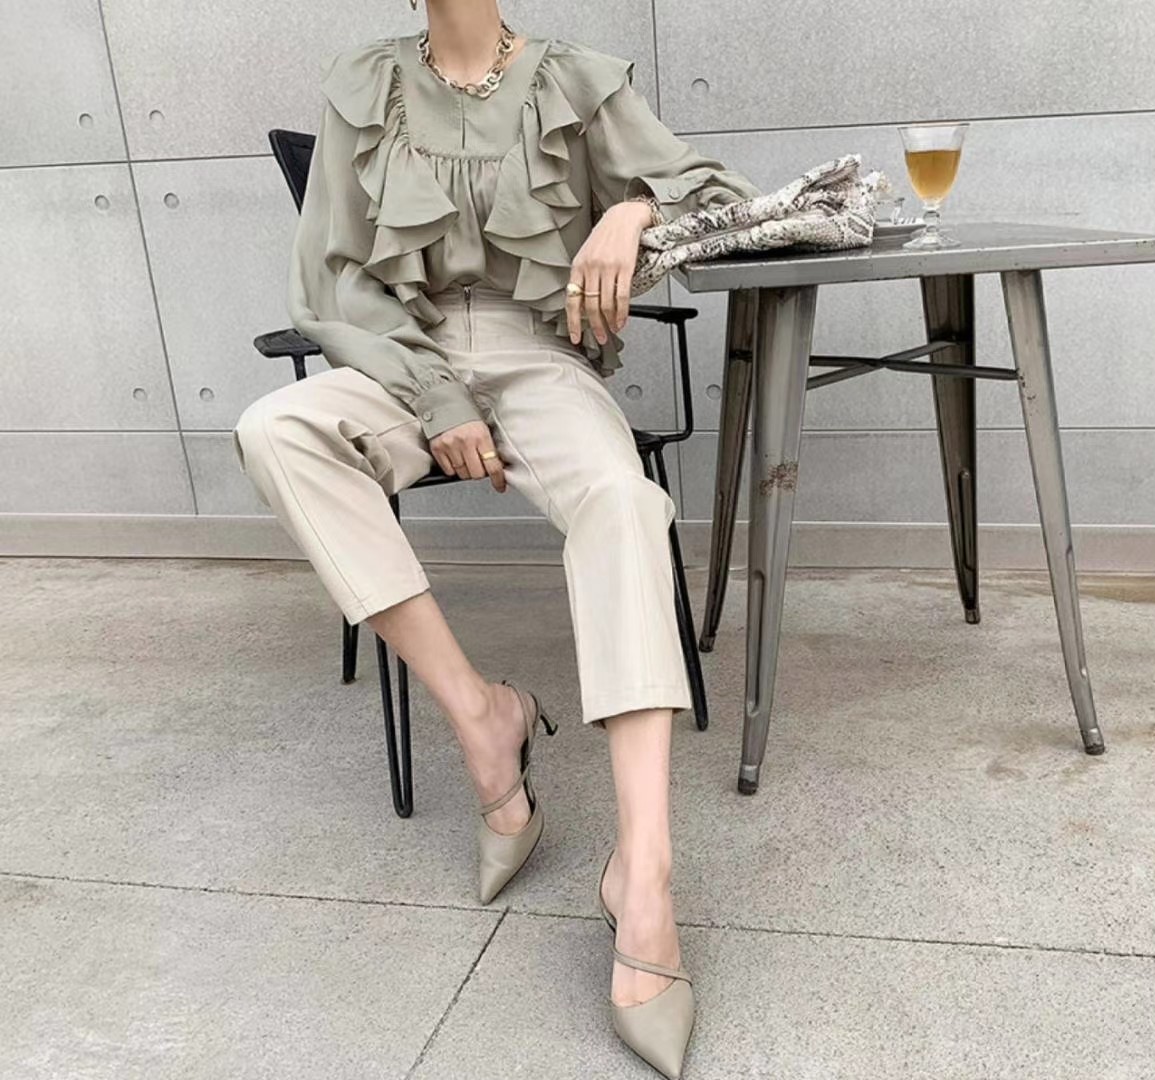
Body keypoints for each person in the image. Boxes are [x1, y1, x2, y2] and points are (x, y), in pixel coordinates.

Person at [231, 3, 761, 1075]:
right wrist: (434, 395)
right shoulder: (363, 85)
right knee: (276, 428)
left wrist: (632, 211)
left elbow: (724, 199)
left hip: (541, 362)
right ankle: (483, 717)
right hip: (401, 363)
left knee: (622, 504)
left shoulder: (576, 79)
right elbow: (331, 278)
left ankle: (643, 873)